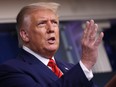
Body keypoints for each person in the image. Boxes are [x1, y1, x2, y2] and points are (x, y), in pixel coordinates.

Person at [0, 2, 104, 87]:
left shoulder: (71, 68)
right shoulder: (10, 70)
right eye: (42, 23)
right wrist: (86, 63)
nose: (51, 29)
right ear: (25, 35)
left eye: (54, 23)